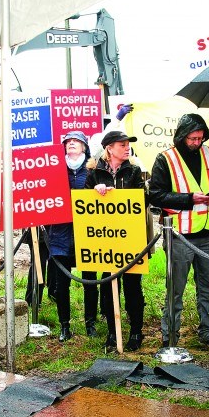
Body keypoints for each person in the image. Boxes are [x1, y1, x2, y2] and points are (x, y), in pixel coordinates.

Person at [148, 113, 209, 348]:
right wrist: (189, 199)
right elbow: (156, 195)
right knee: (175, 289)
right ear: (182, 136)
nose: (197, 142)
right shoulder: (165, 159)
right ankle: (170, 336)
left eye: (200, 138)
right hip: (179, 234)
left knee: (208, 288)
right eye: (192, 138)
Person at [85, 130, 147, 351]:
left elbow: (142, 200)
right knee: (108, 287)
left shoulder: (134, 171)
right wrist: (95, 192)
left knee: (132, 287)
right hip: (105, 240)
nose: (127, 147)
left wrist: (118, 196)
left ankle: (136, 332)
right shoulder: (94, 173)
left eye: (127, 144)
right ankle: (113, 332)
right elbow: (84, 203)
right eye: (122, 144)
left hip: (130, 238)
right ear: (109, 148)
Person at [46, 131, 99, 342]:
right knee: (61, 284)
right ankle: (64, 326)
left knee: (90, 281)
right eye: (68, 142)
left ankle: (90, 323)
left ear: (84, 147)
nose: (71, 144)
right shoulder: (54, 169)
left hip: (87, 234)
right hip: (60, 234)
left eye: (76, 142)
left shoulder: (94, 170)